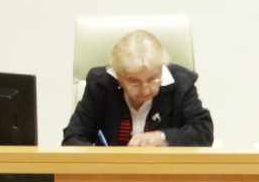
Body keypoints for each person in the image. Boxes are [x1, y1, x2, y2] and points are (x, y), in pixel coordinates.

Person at [61, 29, 214, 146]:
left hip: (166, 174)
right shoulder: (101, 85)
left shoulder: (180, 83)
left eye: (153, 79)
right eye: (134, 82)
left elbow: (203, 131)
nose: (145, 90)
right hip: (111, 174)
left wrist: (162, 137)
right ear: (118, 76)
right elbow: (73, 137)